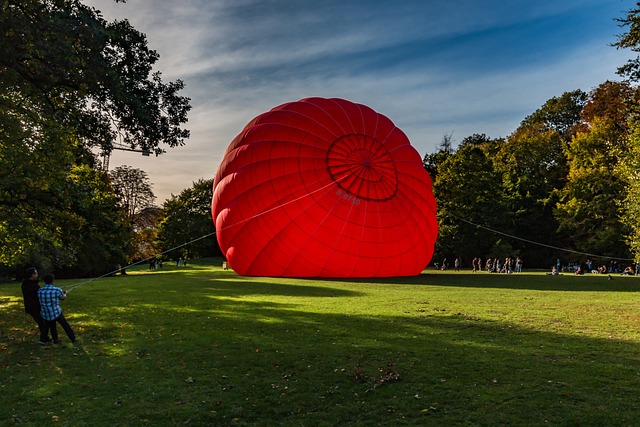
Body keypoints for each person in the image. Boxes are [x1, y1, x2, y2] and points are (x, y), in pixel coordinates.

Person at [38, 274, 76, 344]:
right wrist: (66, 294)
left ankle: (47, 339)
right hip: (56, 312)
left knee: (50, 325)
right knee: (65, 325)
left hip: (45, 313)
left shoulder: (40, 290)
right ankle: (73, 338)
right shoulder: (57, 290)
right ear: (53, 281)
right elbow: (62, 298)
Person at [21, 268, 51, 344]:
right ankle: (43, 339)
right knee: (43, 322)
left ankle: (45, 338)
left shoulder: (25, 284)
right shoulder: (33, 285)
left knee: (42, 322)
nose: (37, 275)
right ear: (32, 275)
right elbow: (38, 294)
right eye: (36, 274)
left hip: (30, 307)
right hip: (34, 307)